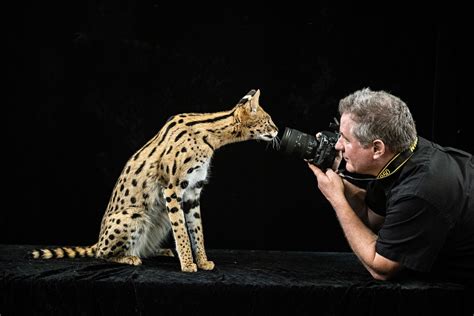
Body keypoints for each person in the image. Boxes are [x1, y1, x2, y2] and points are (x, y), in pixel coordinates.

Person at [307, 87, 474, 283]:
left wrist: (336, 199)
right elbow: (372, 217)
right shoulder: (401, 157)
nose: (337, 145)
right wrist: (338, 183)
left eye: (346, 139)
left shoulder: (419, 191)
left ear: (377, 148)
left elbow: (381, 267)